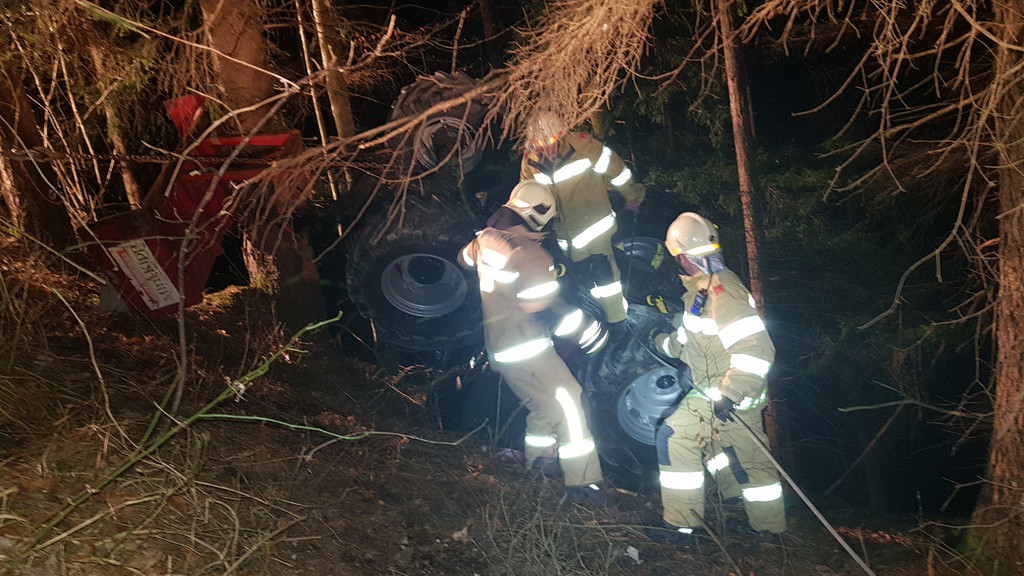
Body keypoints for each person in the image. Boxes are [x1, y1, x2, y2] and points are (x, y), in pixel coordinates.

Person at [459, 180, 605, 498]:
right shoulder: (532, 255)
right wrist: (588, 331)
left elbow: (465, 260)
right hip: (528, 348)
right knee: (571, 401)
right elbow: (543, 310)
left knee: (542, 407)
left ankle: (540, 467)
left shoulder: (484, 240)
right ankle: (584, 483)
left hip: (500, 348)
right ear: (541, 218)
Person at [650, 212, 785, 542]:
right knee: (748, 459)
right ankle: (766, 529)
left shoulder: (723, 293)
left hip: (726, 395)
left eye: (676, 257)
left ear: (682, 255)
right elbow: (687, 342)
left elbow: (756, 348)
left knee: (674, 436)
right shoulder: (701, 291)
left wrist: (730, 393)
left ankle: (683, 526)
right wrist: (657, 341)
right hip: (729, 395)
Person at [520, 109, 646, 331]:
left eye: (549, 141)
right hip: (565, 235)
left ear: (559, 136)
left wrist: (631, 196)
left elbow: (616, 171)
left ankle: (618, 321)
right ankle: (598, 313)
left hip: (595, 227)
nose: (545, 149)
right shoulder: (529, 163)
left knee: (606, 277)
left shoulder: (584, 147)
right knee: (585, 278)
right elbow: (526, 196)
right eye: (538, 144)